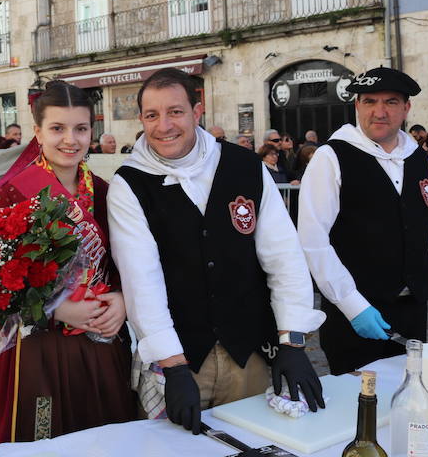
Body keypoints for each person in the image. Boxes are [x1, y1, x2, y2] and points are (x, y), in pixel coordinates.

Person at [107, 68, 325, 434]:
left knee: (258, 443)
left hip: (249, 353)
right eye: (151, 115)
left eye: (175, 111)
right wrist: (173, 366)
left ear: (197, 110)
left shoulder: (245, 167)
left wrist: (293, 341)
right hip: (180, 357)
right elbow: (141, 281)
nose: (164, 126)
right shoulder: (128, 185)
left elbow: (283, 256)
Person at [0, 81, 137, 455]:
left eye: (80, 128)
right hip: (35, 346)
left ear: (92, 131)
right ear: (38, 131)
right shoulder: (13, 192)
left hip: (102, 339)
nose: (70, 140)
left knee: (107, 440)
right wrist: (56, 308)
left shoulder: (109, 193)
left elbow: (133, 264)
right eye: (57, 128)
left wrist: (123, 299)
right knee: (43, 439)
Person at [298, 67, 428, 375]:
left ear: (406, 108)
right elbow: (313, 242)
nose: (379, 112)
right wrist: (354, 305)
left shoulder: (420, 159)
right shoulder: (332, 157)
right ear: (357, 106)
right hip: (355, 314)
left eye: (391, 102)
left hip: (413, 311)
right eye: (369, 101)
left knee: (409, 402)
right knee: (359, 411)